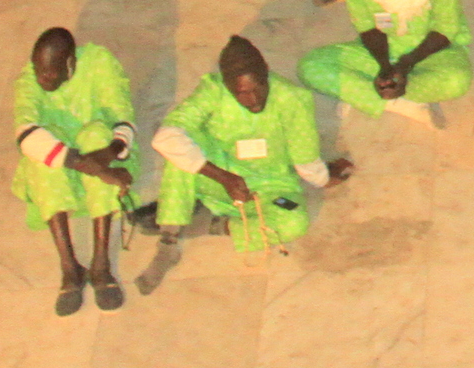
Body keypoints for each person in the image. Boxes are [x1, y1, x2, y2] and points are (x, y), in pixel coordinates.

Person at [149, 34, 350, 260]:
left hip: (270, 186)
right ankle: (169, 235)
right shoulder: (213, 90)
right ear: (227, 85)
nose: (253, 99)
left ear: (266, 74)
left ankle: (211, 225)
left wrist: (323, 178)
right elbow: (166, 137)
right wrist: (224, 177)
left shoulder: (292, 98)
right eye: (242, 93)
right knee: (180, 143)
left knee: (293, 221)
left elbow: (304, 153)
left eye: (259, 87)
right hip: (219, 176)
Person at [10, 26, 134, 315]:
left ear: (70, 64)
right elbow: (26, 132)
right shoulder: (29, 80)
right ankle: (70, 268)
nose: (42, 78)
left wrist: (108, 156)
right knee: (41, 159)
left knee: (97, 136)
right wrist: (93, 169)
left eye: (50, 73)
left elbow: (122, 117)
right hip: (63, 157)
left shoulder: (100, 63)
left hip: (98, 147)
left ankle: (101, 265)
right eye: (38, 70)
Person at [299, 0, 471, 124]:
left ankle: (361, 94)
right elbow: (367, 27)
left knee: (457, 81)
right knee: (310, 66)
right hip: (379, 51)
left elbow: (446, 28)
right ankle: (400, 103)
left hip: (433, 52)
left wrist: (406, 64)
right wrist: (384, 67)